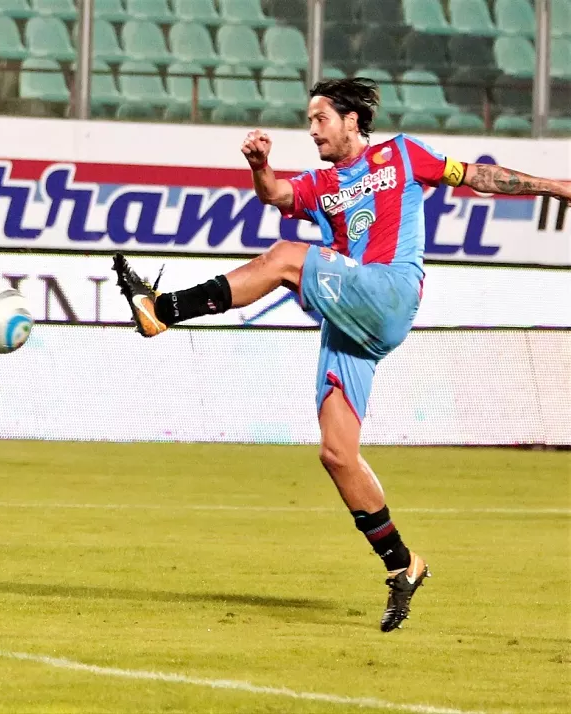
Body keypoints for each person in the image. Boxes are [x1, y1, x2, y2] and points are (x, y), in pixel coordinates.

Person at [112, 78, 571, 632]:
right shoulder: (320, 185)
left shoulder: (404, 155)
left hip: (390, 289)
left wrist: (556, 186)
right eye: (309, 121)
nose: (312, 130)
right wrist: (260, 165)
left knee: (286, 258)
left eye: (320, 118)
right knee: (336, 453)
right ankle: (403, 564)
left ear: (351, 120)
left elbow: (477, 176)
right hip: (351, 318)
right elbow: (275, 195)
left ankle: (163, 309)